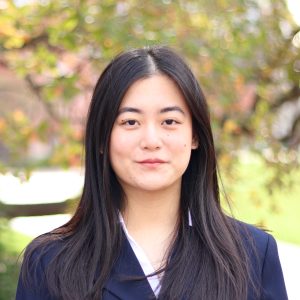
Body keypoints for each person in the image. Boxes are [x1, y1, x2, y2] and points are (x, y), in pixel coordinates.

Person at [16, 46, 287, 300]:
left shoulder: (253, 255)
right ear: (101, 139)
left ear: (195, 135)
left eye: (169, 121)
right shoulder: (49, 262)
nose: (151, 140)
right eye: (130, 122)